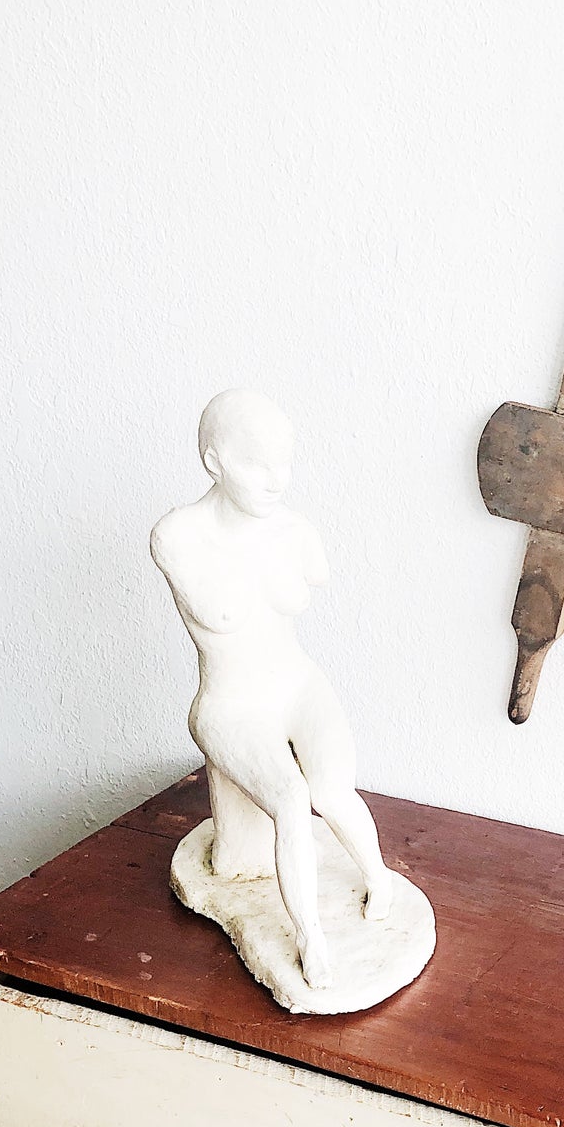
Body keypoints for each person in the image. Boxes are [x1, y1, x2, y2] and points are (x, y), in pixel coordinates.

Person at [150, 389, 393, 989]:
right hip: (231, 706)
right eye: (258, 463)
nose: (277, 480)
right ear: (215, 461)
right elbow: (219, 604)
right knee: (289, 801)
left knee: (333, 791)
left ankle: (379, 876)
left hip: (297, 684)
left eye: (285, 462)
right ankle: (309, 936)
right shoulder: (178, 536)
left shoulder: (294, 528)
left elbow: (312, 576)